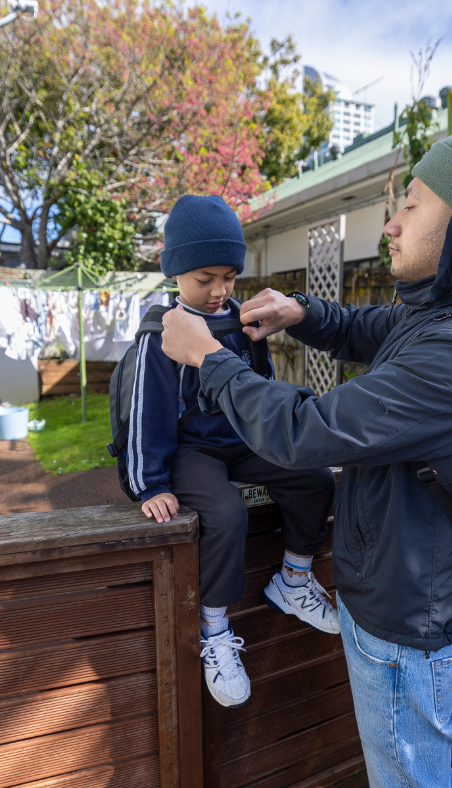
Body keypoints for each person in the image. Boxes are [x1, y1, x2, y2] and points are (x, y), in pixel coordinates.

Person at [158, 127, 452, 786]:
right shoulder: (450, 315)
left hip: (408, 625)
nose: (391, 223)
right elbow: (367, 329)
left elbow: (304, 432)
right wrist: (304, 312)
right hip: (397, 599)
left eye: (413, 204)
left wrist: (208, 358)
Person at [130, 194, 339, 710]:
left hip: (243, 441)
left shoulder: (242, 322)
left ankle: (293, 578)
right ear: (176, 270)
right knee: (223, 512)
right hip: (190, 451)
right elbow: (146, 415)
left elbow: (260, 393)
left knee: (315, 479)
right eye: (205, 279)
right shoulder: (163, 331)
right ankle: (215, 628)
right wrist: (149, 484)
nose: (220, 290)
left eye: (228, 276)